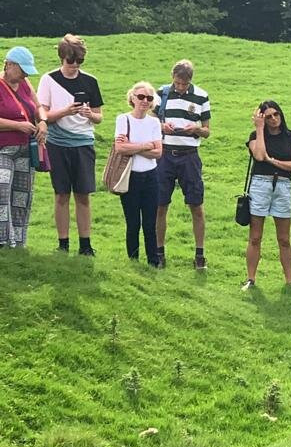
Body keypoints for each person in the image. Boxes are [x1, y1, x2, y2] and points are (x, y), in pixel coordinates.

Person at [36, 33, 103, 256]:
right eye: (70, 61)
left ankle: (86, 244)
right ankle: (63, 243)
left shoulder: (90, 81)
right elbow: (42, 114)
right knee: (61, 194)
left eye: (79, 62)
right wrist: (65, 111)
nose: (74, 66)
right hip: (57, 143)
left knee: (83, 195)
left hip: (83, 142)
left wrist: (89, 114)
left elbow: (99, 116)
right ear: (62, 57)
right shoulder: (48, 79)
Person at [154, 60, 211, 270]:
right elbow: (149, 122)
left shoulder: (201, 96)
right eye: (177, 83)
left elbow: (207, 130)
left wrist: (194, 129)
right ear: (172, 79)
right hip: (165, 154)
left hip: (189, 156)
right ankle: (159, 252)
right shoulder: (162, 93)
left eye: (184, 84)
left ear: (190, 81)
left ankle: (199, 254)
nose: (180, 87)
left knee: (196, 205)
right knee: (160, 205)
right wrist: (162, 126)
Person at [242, 100, 291, 290]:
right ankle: (251, 279)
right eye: (268, 117)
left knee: (284, 238)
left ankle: (290, 280)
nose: (274, 119)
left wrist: (272, 161)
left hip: (282, 185)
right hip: (260, 184)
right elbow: (259, 156)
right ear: (262, 119)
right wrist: (259, 129)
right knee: (255, 236)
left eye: (276, 114)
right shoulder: (255, 136)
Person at [0, 46, 46, 248]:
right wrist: (17, 125)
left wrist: (42, 121)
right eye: (22, 69)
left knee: (22, 195)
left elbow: (38, 107)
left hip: (26, 149)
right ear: (9, 65)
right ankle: (3, 240)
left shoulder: (25, 84)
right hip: (3, 149)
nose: (26, 74)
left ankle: (18, 242)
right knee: (2, 192)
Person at [113, 82, 163, 267]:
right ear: (132, 98)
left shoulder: (154, 122)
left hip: (151, 176)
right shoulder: (123, 119)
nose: (144, 101)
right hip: (130, 177)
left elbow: (158, 152)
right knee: (133, 222)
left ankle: (153, 261)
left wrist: (132, 146)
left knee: (150, 224)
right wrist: (144, 146)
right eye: (140, 97)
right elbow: (120, 148)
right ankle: (133, 260)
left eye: (149, 98)